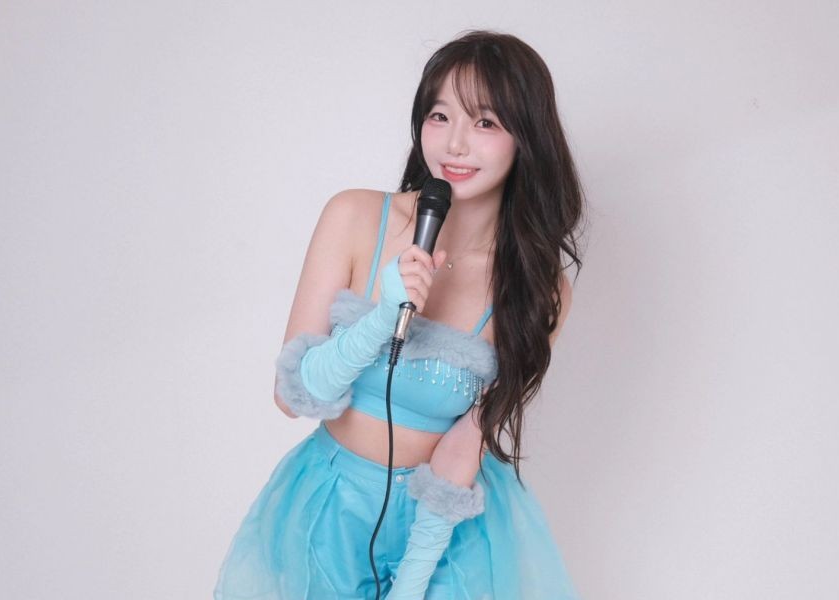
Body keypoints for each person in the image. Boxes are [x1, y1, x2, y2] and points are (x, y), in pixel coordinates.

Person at [214, 30, 585, 599]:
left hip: (447, 534)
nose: (455, 144)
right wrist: (381, 317)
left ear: (525, 138)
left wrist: (411, 583)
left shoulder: (537, 287)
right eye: (440, 116)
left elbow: (464, 449)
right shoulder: (355, 217)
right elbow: (294, 397)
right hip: (330, 513)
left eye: (485, 122)